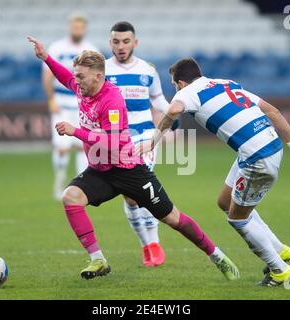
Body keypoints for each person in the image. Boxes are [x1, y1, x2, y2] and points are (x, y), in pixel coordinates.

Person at [28, 36, 240, 281]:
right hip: (101, 171)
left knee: (173, 218)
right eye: (76, 76)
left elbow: (115, 142)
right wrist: (46, 58)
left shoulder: (112, 100)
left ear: (98, 76)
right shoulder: (82, 86)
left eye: (81, 77)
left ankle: (216, 255)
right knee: (71, 197)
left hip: (128, 169)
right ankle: (98, 259)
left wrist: (76, 131)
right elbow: (65, 76)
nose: (76, 81)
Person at [137, 58, 290, 287]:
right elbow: (271, 110)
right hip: (267, 146)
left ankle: (280, 271)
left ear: (179, 82)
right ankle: (280, 250)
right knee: (225, 201)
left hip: (257, 158)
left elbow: (174, 109)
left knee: (238, 219)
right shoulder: (226, 83)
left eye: (174, 85)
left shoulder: (186, 92)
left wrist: (153, 141)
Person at [105, 21, 173, 267]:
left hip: (145, 137)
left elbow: (158, 99)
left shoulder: (147, 70)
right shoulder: (102, 70)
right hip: (115, 139)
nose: (121, 46)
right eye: (116, 41)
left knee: (143, 190)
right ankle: (146, 244)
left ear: (135, 42)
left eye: (126, 41)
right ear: (110, 42)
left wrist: (172, 116)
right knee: (130, 197)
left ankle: (154, 244)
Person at [42, 13, 98, 200]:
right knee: (62, 146)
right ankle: (59, 179)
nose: (77, 29)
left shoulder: (91, 49)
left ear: (85, 28)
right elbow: (48, 75)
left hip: (83, 103)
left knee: (83, 145)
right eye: (74, 26)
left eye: (80, 26)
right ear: (70, 27)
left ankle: (80, 184)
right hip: (62, 102)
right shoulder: (57, 47)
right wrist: (51, 100)